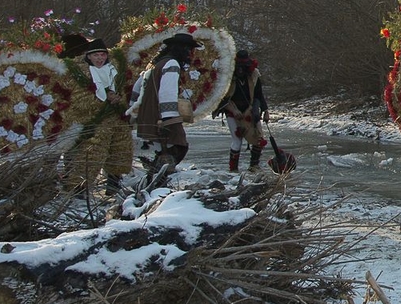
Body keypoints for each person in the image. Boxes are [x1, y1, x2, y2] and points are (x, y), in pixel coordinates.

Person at [65, 36, 133, 199]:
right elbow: (78, 99)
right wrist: (102, 102)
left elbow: (125, 91)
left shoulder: (114, 70)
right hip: (95, 122)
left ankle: (113, 185)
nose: (100, 58)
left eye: (103, 55)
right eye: (96, 55)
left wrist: (119, 99)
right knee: (91, 155)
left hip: (117, 120)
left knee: (120, 151)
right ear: (88, 56)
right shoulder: (79, 71)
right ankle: (79, 189)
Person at [130, 32, 200, 187]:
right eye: (189, 50)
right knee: (177, 147)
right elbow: (167, 93)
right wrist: (168, 119)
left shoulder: (158, 62)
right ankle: (154, 184)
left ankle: (153, 182)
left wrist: (134, 106)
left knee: (165, 151)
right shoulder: (172, 64)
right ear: (181, 49)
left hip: (150, 113)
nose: (190, 53)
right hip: (161, 115)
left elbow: (137, 86)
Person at [214, 49, 269, 172]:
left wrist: (265, 110)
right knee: (237, 140)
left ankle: (254, 166)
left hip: (249, 110)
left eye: (243, 67)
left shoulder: (254, 75)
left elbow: (259, 95)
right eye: (238, 67)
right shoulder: (227, 78)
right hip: (231, 111)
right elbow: (222, 98)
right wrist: (233, 110)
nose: (240, 70)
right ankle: (233, 169)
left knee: (258, 138)